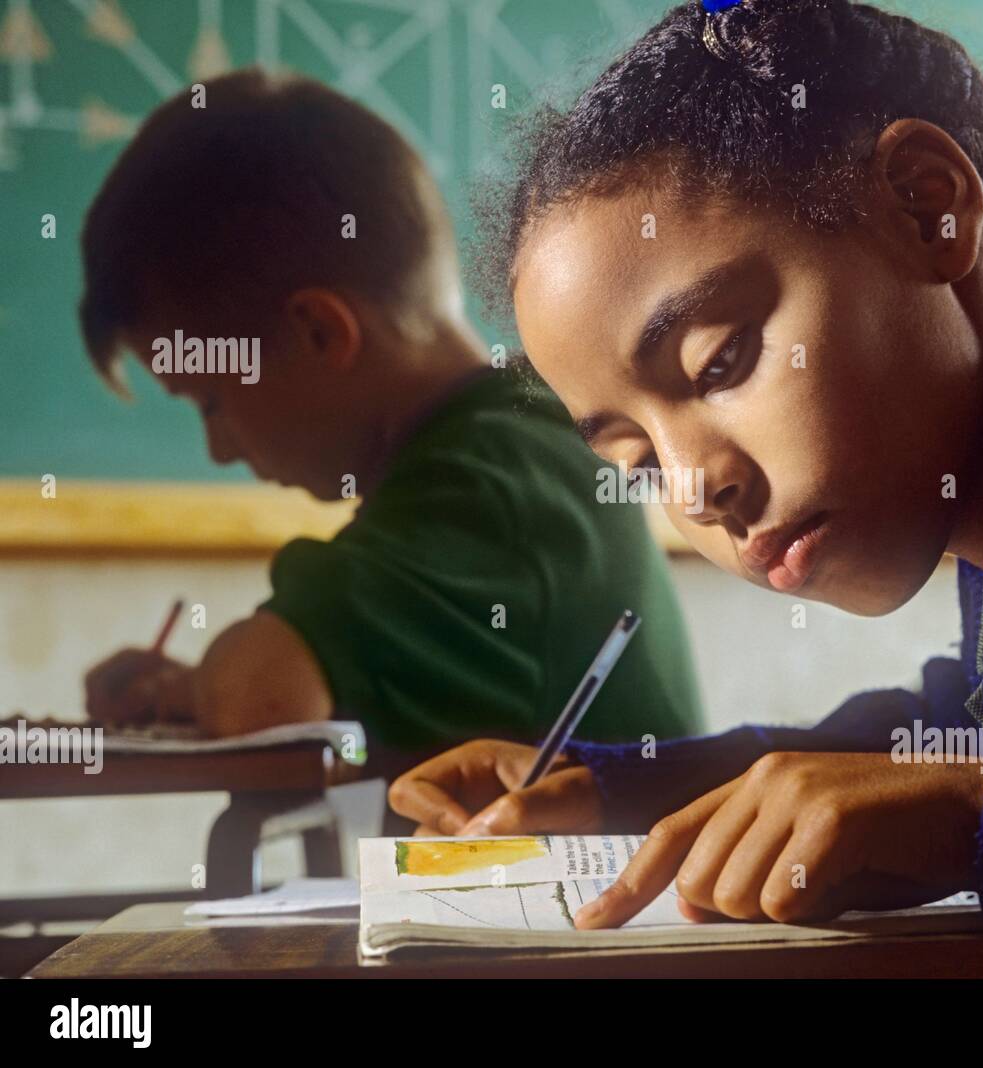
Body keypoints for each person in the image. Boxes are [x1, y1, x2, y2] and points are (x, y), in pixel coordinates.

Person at [388, 0, 983, 954]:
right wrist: (629, 787)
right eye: (637, 457)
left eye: (720, 363)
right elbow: (974, 729)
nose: (694, 490)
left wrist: (978, 814)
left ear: (925, 205)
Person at [79, 69, 703, 750]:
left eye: (209, 401)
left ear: (320, 333)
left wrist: (181, 690)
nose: (218, 450)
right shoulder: (511, 430)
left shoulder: (489, 478)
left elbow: (262, 695)